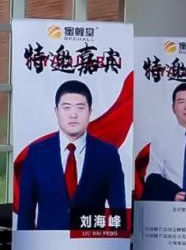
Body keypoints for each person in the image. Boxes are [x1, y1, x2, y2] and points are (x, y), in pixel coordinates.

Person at [17, 80, 126, 230]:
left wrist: (114, 242)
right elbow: (26, 213)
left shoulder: (108, 154)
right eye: (66, 108)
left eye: (80, 108)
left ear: (90, 112)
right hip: (47, 242)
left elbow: (118, 211)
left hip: (92, 242)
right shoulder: (37, 153)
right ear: (56, 111)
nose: (73, 115)